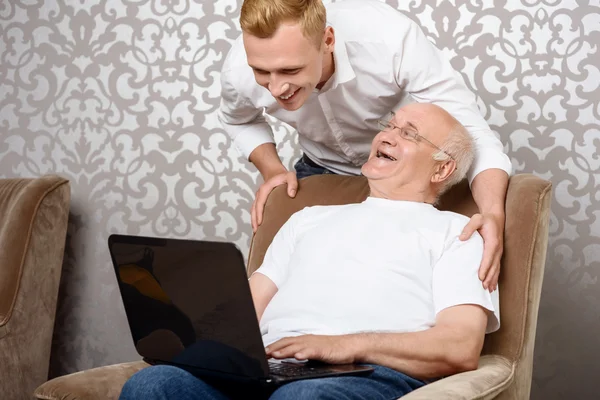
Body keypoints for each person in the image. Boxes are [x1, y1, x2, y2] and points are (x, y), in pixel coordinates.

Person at [119, 103, 500, 400]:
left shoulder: (458, 232)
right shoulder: (308, 218)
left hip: (363, 374)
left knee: (304, 396)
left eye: (409, 134)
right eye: (390, 125)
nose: (387, 135)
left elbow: (460, 346)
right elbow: (245, 312)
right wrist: (181, 330)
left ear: (441, 169)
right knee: (153, 386)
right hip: (269, 367)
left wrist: (345, 346)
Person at [218, 0, 512, 292]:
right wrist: (272, 170)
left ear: (327, 40)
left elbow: (471, 130)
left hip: (410, 178)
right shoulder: (238, 70)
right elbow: (239, 120)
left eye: (291, 70)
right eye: (262, 72)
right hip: (321, 170)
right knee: (312, 281)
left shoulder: (389, 38)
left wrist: (492, 212)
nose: (276, 88)